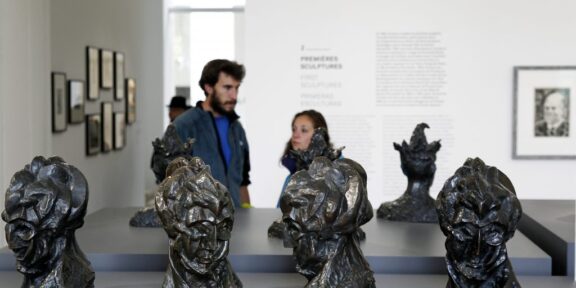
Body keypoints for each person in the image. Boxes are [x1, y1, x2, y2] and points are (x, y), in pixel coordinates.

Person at [172, 59, 251, 208]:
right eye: (227, 88)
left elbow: (242, 181)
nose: (234, 96)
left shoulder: (237, 128)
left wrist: (247, 213)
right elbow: (170, 185)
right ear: (208, 87)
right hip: (198, 224)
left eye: (236, 88)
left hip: (235, 220)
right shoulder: (184, 126)